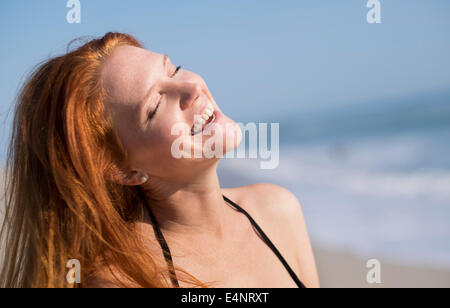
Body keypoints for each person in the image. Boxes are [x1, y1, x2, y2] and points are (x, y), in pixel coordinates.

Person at [0, 32, 319, 288]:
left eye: (174, 69)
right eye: (154, 106)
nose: (192, 87)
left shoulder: (278, 210)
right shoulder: (123, 280)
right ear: (123, 169)